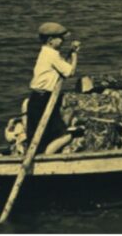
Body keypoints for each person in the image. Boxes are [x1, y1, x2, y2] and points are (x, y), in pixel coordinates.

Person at [26, 22, 80, 154]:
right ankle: (46, 158)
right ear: (50, 40)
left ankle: (40, 156)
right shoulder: (51, 55)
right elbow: (69, 72)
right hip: (44, 100)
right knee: (64, 136)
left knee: (38, 137)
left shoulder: (46, 52)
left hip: (36, 98)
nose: (63, 41)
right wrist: (74, 55)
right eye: (60, 38)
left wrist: (69, 52)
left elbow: (62, 68)